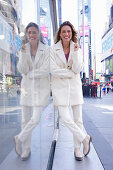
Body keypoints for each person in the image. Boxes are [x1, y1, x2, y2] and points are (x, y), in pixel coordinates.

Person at [50, 21, 92, 161]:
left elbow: (77, 68)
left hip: (74, 88)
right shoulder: (53, 49)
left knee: (78, 120)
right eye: (64, 31)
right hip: (60, 89)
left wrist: (74, 52)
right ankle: (84, 138)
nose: (66, 34)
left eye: (69, 31)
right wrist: (69, 73)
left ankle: (77, 149)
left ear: (72, 33)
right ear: (60, 34)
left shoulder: (76, 48)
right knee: (65, 117)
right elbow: (53, 70)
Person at [14, 22, 50, 160]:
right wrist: (23, 55)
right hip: (27, 90)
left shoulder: (45, 50)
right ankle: (26, 149)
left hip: (40, 90)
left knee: (35, 118)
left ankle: (19, 138)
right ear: (27, 34)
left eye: (34, 32)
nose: (31, 35)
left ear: (38, 34)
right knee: (25, 120)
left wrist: (31, 74)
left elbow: (46, 69)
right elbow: (22, 69)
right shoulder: (24, 49)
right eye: (29, 32)